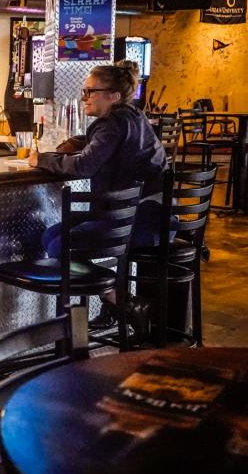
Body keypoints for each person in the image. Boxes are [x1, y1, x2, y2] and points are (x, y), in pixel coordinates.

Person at [28, 64, 167, 328]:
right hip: (151, 218)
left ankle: (120, 299)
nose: (84, 97)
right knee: (50, 236)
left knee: (59, 246)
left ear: (114, 96)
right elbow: (108, 149)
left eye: (91, 91)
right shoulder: (134, 116)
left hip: (139, 224)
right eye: (84, 91)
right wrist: (81, 143)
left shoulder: (111, 124)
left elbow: (84, 166)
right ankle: (120, 302)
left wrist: (42, 159)